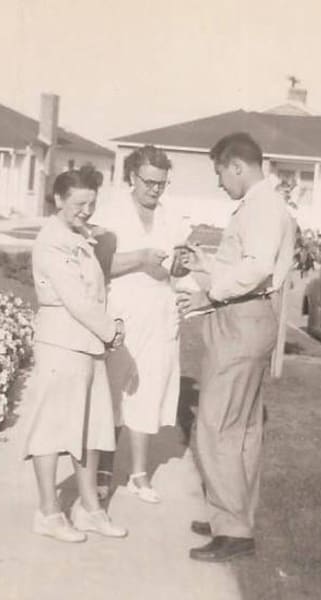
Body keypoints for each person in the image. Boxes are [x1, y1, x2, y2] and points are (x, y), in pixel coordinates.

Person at [177, 132, 296, 562]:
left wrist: (210, 294)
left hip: (242, 319)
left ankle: (233, 530)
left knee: (216, 425)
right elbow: (243, 266)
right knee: (242, 428)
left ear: (237, 166)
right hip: (247, 315)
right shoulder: (262, 204)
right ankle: (231, 516)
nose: (220, 184)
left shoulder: (262, 206)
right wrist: (205, 268)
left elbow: (257, 268)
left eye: (220, 174)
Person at [25, 166, 127, 542]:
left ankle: (89, 509)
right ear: (58, 200)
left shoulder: (78, 234)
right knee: (52, 429)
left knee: (92, 428)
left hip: (87, 344)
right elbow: (76, 300)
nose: (86, 210)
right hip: (61, 343)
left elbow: (93, 294)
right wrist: (112, 330)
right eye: (79, 203)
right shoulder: (52, 241)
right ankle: (48, 513)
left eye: (92, 203)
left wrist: (105, 333)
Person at [94, 145, 186, 503]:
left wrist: (180, 266)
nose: (155, 190)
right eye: (149, 182)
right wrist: (142, 259)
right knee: (113, 390)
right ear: (132, 176)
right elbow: (100, 263)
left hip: (159, 311)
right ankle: (104, 467)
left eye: (161, 184)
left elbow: (175, 266)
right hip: (121, 310)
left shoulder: (170, 217)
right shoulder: (111, 211)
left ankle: (138, 475)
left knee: (149, 391)